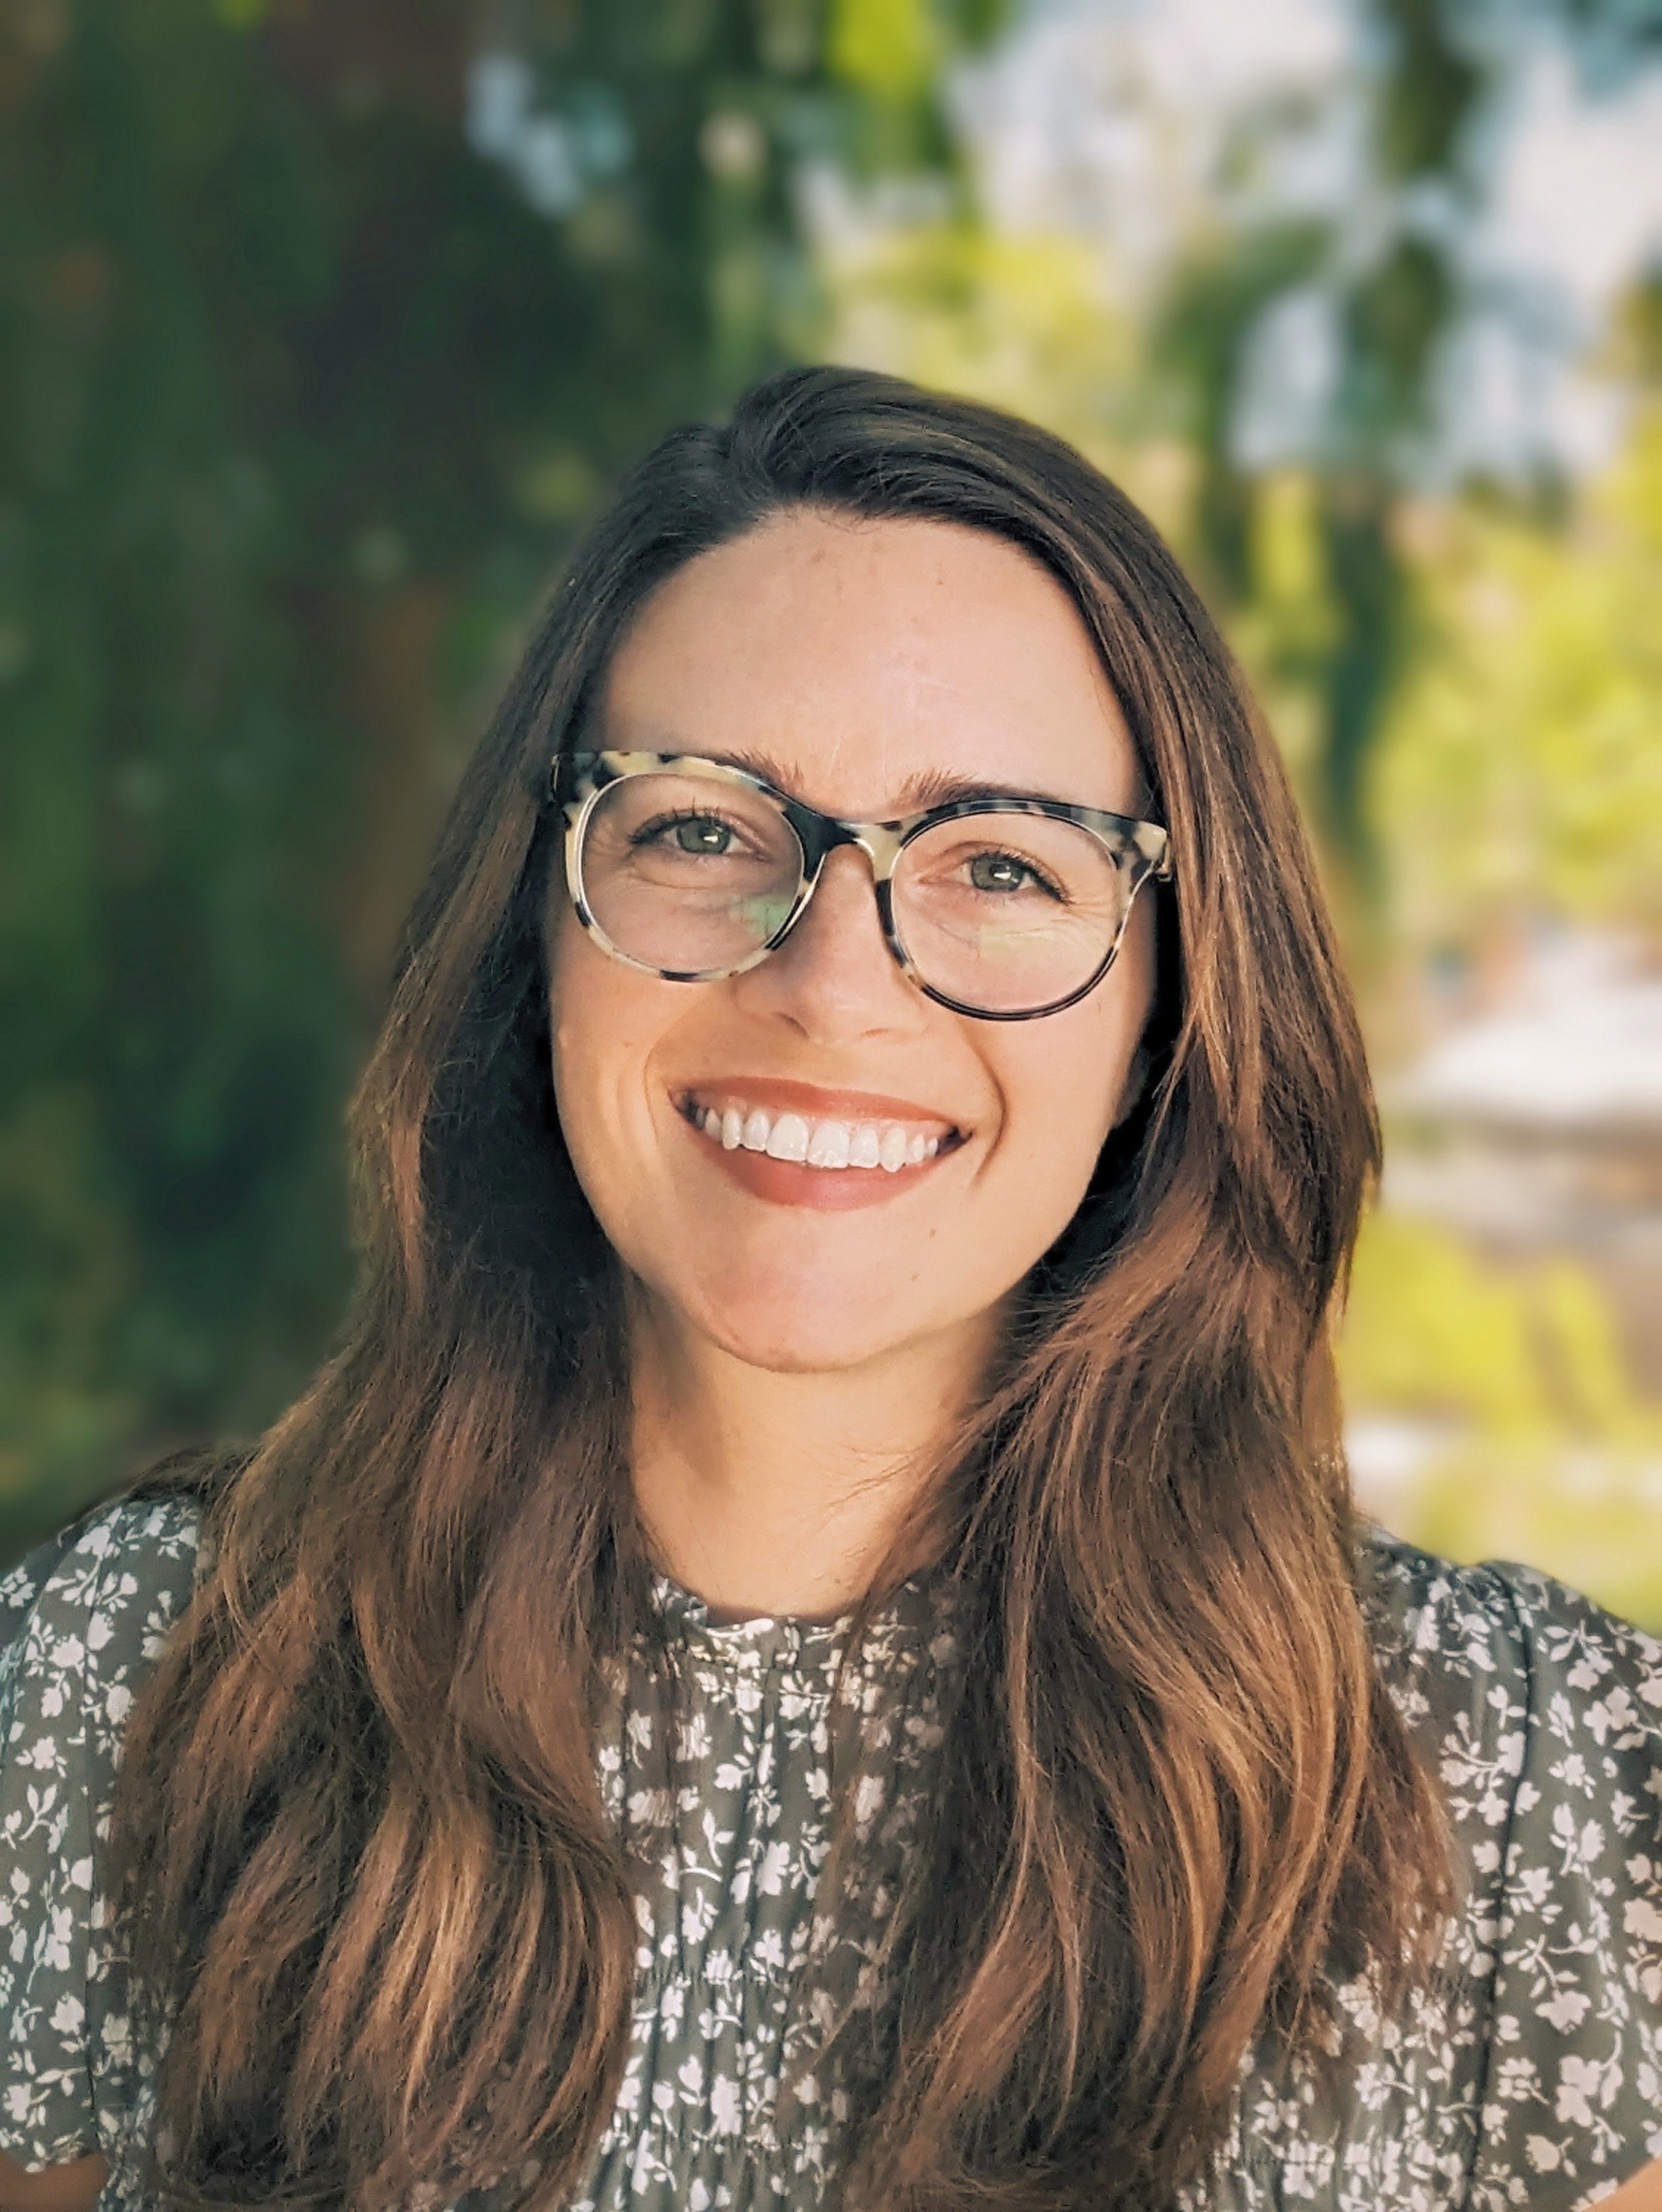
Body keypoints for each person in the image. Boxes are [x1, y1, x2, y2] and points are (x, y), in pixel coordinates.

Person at [3, 366, 1660, 2212]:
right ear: (536, 924)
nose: (837, 986)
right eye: (703, 830)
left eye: (1003, 865)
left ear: (1165, 1015)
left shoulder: (1524, 1781)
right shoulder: (141, 1679)